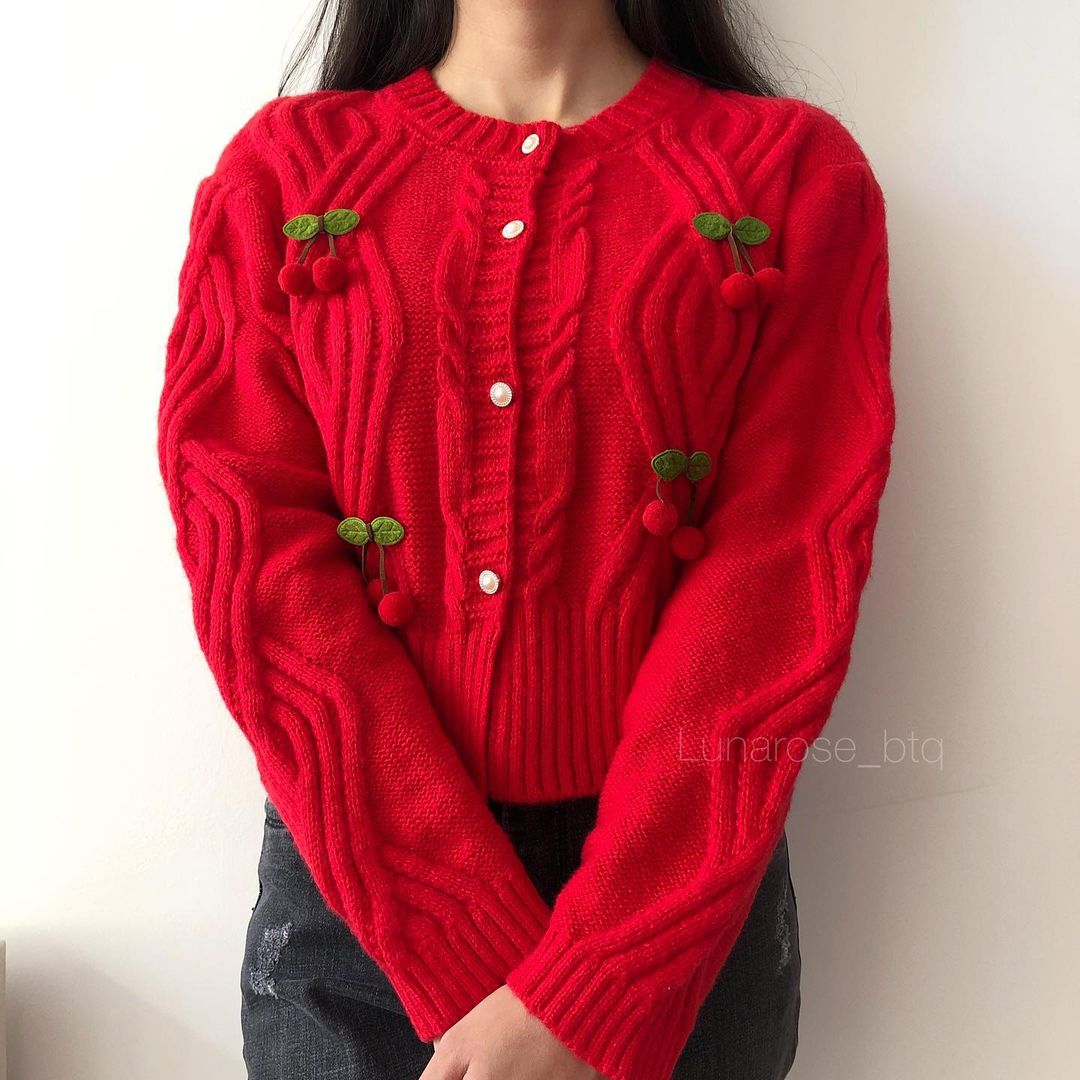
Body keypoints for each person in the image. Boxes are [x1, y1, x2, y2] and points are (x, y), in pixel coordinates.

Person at [157, 1, 894, 1077]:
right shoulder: (284, 175)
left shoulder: (789, 176)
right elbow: (253, 558)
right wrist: (457, 939)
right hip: (355, 892)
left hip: (679, 909)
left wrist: (599, 982)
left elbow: (781, 577)